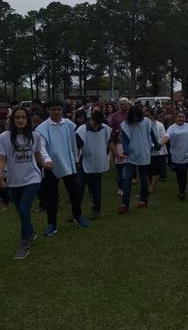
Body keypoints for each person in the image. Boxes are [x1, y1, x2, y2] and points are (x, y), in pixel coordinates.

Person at [0, 108, 53, 258]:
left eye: (23, 117)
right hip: (13, 180)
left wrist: (44, 164)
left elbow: (37, 153)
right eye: (17, 117)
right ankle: (31, 231)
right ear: (12, 120)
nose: (20, 120)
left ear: (27, 120)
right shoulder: (4, 137)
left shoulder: (34, 135)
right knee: (21, 212)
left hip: (32, 178)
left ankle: (24, 242)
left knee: (24, 210)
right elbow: (2, 158)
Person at [36, 99, 90, 235]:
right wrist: (47, 161)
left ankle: (78, 216)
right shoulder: (42, 128)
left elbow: (73, 144)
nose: (56, 112)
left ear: (62, 110)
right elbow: (41, 148)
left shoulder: (69, 125)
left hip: (68, 163)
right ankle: (52, 224)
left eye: (58, 109)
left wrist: (76, 159)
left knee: (73, 192)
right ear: (48, 110)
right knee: (52, 196)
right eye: (53, 109)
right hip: (51, 166)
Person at [75, 110, 122, 219]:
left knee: (96, 189)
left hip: (98, 163)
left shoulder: (105, 129)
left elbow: (109, 142)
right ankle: (76, 211)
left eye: (99, 124)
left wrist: (117, 154)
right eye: (95, 123)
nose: (96, 126)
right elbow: (76, 148)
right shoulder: (81, 131)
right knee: (79, 188)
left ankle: (96, 210)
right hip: (84, 164)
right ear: (91, 119)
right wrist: (76, 161)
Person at [119, 105, 160, 213]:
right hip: (131, 155)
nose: (136, 119)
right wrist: (126, 150)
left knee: (143, 178)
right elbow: (125, 139)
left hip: (144, 153)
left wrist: (156, 144)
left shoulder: (146, 121)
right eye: (134, 116)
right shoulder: (126, 124)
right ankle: (125, 203)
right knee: (127, 179)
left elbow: (152, 134)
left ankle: (143, 199)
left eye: (137, 116)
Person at [162, 112, 188, 200]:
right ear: (176, 118)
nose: (181, 118)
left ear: (185, 118)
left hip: (187, 152)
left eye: (183, 117)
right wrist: (161, 143)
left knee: (183, 172)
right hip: (176, 153)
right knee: (179, 173)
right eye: (179, 117)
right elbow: (167, 136)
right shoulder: (172, 128)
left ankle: (182, 191)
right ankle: (181, 189)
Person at [146, 108, 167, 194]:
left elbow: (163, 136)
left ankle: (152, 186)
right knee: (149, 171)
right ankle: (151, 185)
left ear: (153, 115)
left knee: (158, 170)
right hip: (148, 150)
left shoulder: (160, 125)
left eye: (149, 116)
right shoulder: (144, 125)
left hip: (159, 150)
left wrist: (157, 145)